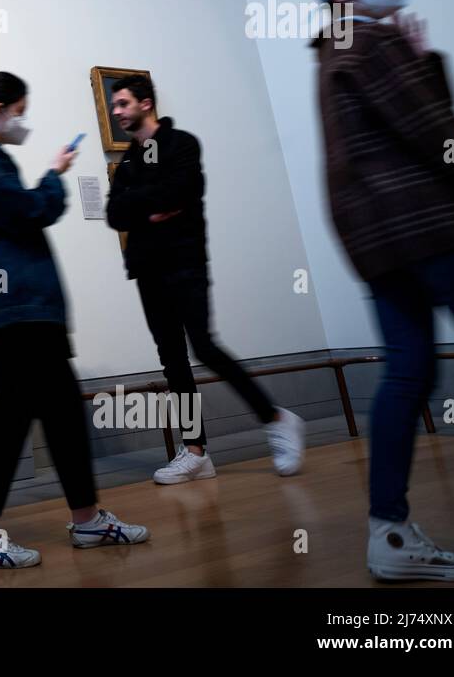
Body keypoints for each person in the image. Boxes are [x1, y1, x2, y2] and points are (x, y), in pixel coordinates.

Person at [312, 0, 454, 582]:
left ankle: (388, 534)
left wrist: (422, 63)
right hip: (437, 227)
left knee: (408, 375)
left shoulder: (334, 52)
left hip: (381, 244)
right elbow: (437, 134)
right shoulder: (369, 43)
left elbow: (395, 125)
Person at [0, 71, 149, 568]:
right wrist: (56, 176)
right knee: (12, 416)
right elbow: (29, 211)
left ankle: (87, 520)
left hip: (23, 310)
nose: (23, 121)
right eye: (20, 110)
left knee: (58, 412)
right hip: (17, 311)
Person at [105, 74, 305, 483]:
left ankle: (277, 419)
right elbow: (114, 214)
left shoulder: (182, 144)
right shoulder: (128, 160)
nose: (117, 111)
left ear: (146, 103)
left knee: (205, 347)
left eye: (123, 103)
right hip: (147, 269)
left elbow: (180, 192)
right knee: (172, 360)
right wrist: (149, 207)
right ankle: (196, 451)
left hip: (185, 264)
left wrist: (142, 204)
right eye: (114, 105)